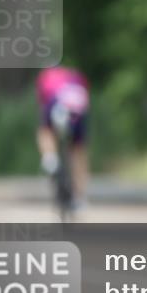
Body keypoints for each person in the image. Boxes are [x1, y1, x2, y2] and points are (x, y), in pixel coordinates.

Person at [35, 66, 91, 209]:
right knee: (78, 152)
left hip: (56, 102)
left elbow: (42, 103)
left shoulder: (46, 76)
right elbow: (86, 99)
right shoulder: (77, 76)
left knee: (45, 130)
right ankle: (80, 196)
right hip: (78, 105)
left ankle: (50, 158)